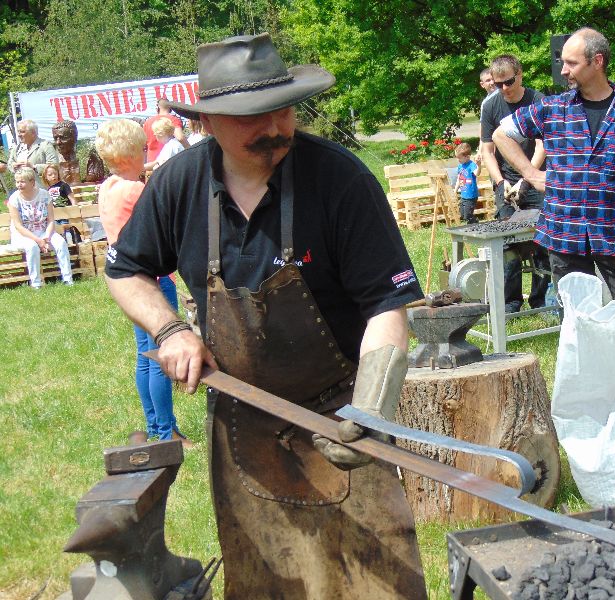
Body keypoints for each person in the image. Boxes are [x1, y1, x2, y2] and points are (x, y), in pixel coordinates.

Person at [103, 33, 426, 598]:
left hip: (341, 412)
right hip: (243, 423)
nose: (273, 126)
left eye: (281, 109)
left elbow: (386, 306)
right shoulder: (178, 185)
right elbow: (125, 270)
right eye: (251, 117)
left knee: (378, 583)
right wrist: (171, 328)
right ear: (207, 123)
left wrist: (370, 411)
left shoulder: (341, 181)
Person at [492, 28, 615, 317]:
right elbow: (501, 135)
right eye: (562, 62)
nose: (564, 70)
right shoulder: (552, 108)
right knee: (578, 323)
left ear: (598, 61)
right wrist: (530, 172)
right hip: (565, 234)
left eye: (572, 63)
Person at [95, 118, 192, 448]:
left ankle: (155, 426)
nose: (146, 154)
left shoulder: (107, 188)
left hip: (123, 281)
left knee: (144, 356)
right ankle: (167, 433)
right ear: (127, 155)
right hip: (150, 282)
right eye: (141, 149)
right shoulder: (136, 190)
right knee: (161, 356)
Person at [481, 54, 549, 313]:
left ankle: (540, 300)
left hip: (536, 181)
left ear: (520, 74)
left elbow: (543, 144)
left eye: (508, 82)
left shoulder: (538, 101)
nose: (504, 89)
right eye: (498, 85)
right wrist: (501, 183)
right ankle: (511, 302)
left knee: (543, 240)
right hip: (506, 183)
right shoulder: (491, 106)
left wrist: (527, 178)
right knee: (506, 243)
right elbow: (487, 150)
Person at [7, 167, 73, 288]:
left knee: (61, 243)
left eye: (22, 182)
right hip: (23, 235)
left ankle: (68, 279)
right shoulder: (14, 199)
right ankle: (36, 283)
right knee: (32, 247)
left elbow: (51, 220)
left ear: (32, 182)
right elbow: (18, 226)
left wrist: (46, 238)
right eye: (17, 182)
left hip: (44, 232)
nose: (19, 185)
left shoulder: (44, 195)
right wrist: (39, 241)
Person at [8, 120, 58, 188]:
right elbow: (10, 163)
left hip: (42, 190)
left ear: (33, 133)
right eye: (18, 132)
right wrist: (13, 166)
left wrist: (34, 167)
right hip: (23, 191)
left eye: (22, 132)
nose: (19, 135)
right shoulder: (17, 148)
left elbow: (54, 166)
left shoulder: (45, 145)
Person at [143, 98, 189, 162]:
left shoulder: (147, 122)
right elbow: (180, 137)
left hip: (151, 162)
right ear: (170, 107)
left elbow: (144, 144)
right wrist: (191, 150)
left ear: (158, 107)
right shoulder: (173, 120)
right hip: (167, 163)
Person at [454, 142, 480, 224]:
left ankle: (475, 223)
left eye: (460, 158)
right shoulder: (460, 166)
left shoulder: (472, 165)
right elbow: (459, 179)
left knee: (467, 215)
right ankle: (472, 223)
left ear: (467, 157)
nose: (458, 160)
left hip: (471, 195)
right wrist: (455, 190)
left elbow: (477, 173)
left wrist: (479, 165)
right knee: (462, 214)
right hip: (463, 195)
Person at [476, 68, 498, 166]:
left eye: (493, 79)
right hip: (492, 146)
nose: (492, 82)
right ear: (482, 84)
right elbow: (483, 128)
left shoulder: (503, 94)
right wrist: (480, 150)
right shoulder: (485, 103)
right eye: (488, 80)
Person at [52, 120, 82, 186]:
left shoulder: (86, 157)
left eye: (63, 138)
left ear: (74, 137)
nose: (58, 142)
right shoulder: (51, 158)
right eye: (55, 138)